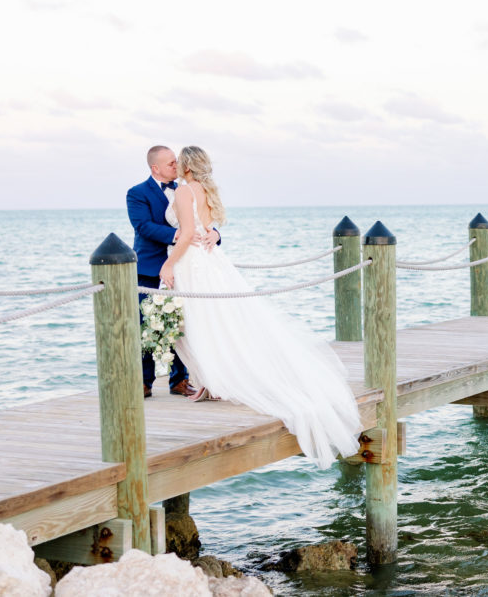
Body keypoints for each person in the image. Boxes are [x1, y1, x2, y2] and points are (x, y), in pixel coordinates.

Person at [159, 146, 361, 467]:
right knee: (213, 321)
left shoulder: (184, 191)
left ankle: (211, 381)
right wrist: (210, 233)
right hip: (212, 260)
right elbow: (204, 228)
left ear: (185, 166)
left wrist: (168, 265)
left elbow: (184, 235)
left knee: (196, 322)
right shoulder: (207, 190)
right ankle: (209, 381)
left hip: (192, 262)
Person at [126, 145, 219, 397]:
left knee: (183, 323)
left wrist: (215, 234)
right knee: (147, 325)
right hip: (150, 266)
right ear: (155, 167)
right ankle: (144, 382)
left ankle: (179, 380)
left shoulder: (185, 190)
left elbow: (203, 221)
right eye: (170, 163)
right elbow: (143, 226)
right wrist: (180, 235)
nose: (176, 166)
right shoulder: (136, 193)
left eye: (177, 162)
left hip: (184, 266)